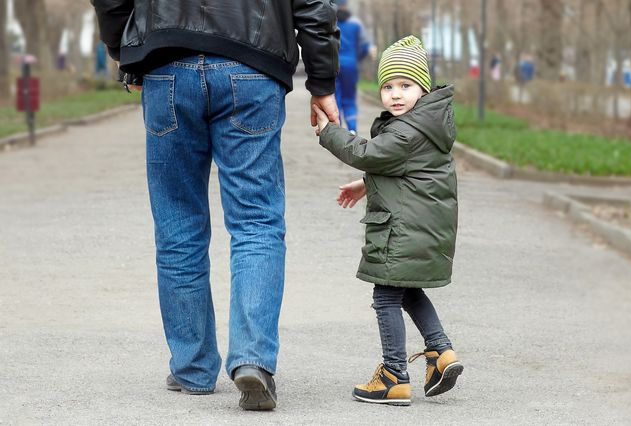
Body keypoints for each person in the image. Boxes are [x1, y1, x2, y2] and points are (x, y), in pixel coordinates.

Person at [91, 0, 340, 411]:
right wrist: (323, 81)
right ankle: (252, 359)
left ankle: (192, 368)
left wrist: (125, 48)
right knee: (257, 221)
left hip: (167, 64)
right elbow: (315, 5)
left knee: (177, 222)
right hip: (252, 67)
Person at [313, 36, 462, 406]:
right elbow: (407, 171)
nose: (396, 94)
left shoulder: (408, 130)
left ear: (423, 88)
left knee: (385, 295)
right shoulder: (426, 123)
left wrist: (328, 132)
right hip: (421, 225)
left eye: (406, 86)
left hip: (405, 228)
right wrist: (367, 185)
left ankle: (394, 375)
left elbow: (367, 153)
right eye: (388, 86)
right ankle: (441, 352)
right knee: (407, 289)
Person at [335, 0, 370, 134]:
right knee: (349, 98)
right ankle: (352, 129)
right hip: (351, 65)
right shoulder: (355, 25)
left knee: (335, 96)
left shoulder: (330, 24)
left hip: (333, 65)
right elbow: (365, 47)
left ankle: (336, 128)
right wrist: (356, 59)